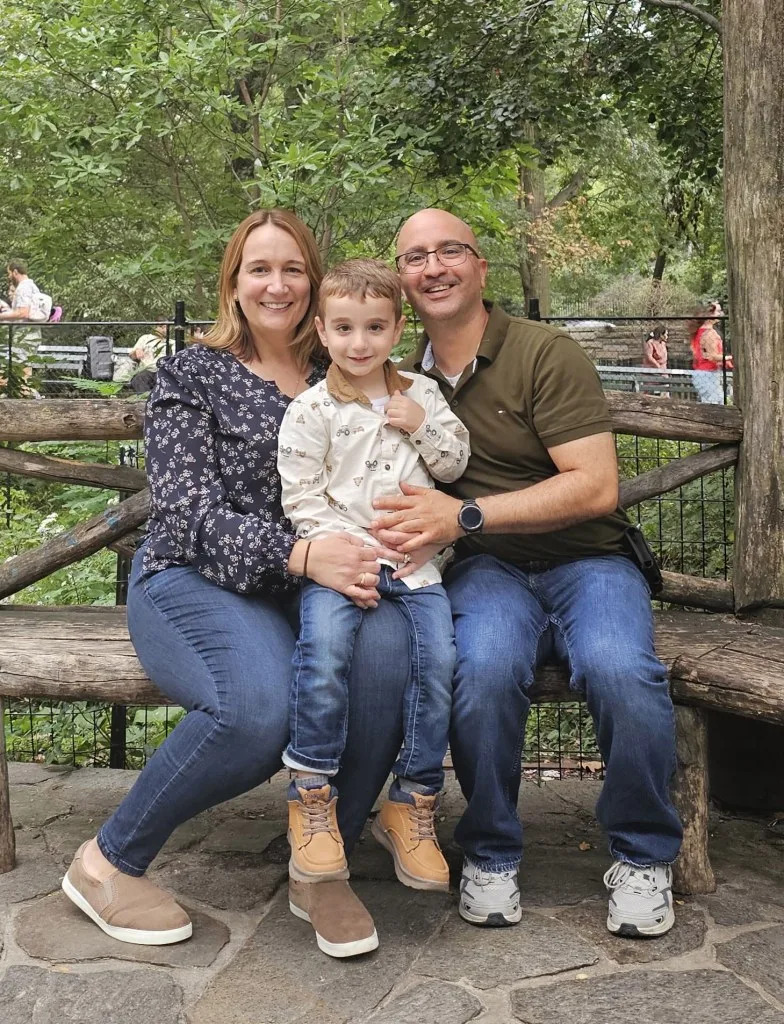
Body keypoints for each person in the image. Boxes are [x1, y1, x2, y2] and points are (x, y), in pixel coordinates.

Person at [60, 210, 416, 959]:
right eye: (260, 269)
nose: (276, 285)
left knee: (389, 654)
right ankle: (106, 861)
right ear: (233, 283)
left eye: (293, 269)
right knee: (256, 711)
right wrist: (303, 554)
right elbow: (186, 514)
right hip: (194, 578)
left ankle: (321, 864)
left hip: (312, 586)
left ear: (314, 283)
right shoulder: (193, 374)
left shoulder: (345, 370)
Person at [372, 208, 682, 938]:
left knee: (620, 668)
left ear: (481, 267)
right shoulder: (399, 377)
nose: (434, 267)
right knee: (479, 669)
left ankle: (643, 855)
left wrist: (464, 516)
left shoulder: (545, 353)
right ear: (402, 282)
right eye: (416, 257)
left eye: (451, 250)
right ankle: (490, 853)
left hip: (590, 559)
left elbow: (595, 486)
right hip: (489, 572)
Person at [278, 259, 469, 900]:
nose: (359, 343)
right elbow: (301, 498)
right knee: (324, 652)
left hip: (416, 565)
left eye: (375, 328)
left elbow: (454, 464)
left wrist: (420, 424)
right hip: (342, 564)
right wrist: (354, 549)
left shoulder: (423, 393)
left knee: (438, 661)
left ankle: (412, 798)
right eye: (344, 328)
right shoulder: (311, 409)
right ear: (322, 331)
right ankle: (311, 789)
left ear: (397, 329)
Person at [0, 260, 45, 357]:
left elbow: (23, 313)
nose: (9, 277)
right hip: (30, 334)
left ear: (15, 272)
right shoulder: (31, 285)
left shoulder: (23, 287)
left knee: (20, 364)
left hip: (25, 335)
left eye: (9, 273)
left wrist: (1, 316)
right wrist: (7, 308)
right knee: (23, 364)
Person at [689, 305, 730, 404]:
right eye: (718, 311)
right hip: (708, 373)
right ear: (710, 314)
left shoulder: (699, 331)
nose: (721, 314)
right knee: (715, 404)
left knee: (713, 401)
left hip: (702, 373)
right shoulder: (709, 334)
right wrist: (730, 357)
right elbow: (712, 356)